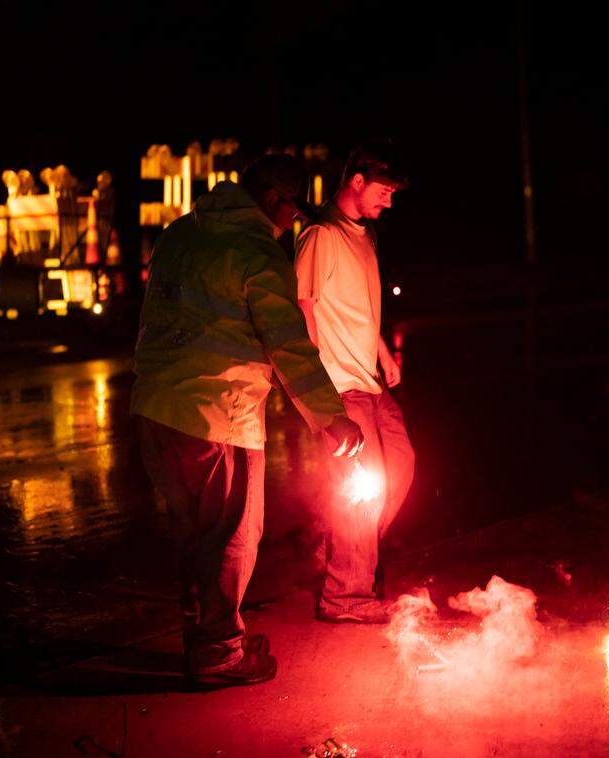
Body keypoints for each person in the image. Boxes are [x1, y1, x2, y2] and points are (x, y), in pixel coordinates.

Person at [131, 154, 365, 688]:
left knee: (192, 533)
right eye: (291, 211)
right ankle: (219, 654)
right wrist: (330, 419)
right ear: (275, 198)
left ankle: (205, 637)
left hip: (156, 411)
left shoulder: (177, 235)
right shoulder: (256, 250)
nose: (290, 225)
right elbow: (288, 346)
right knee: (233, 535)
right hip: (219, 416)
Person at [295, 139, 416, 624]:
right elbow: (304, 308)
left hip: (369, 379)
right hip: (340, 384)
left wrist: (384, 351)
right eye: (385, 192)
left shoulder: (363, 236)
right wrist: (315, 385)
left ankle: (346, 554)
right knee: (363, 488)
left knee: (401, 468)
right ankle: (345, 594)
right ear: (358, 181)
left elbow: (359, 310)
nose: (389, 202)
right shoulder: (320, 235)